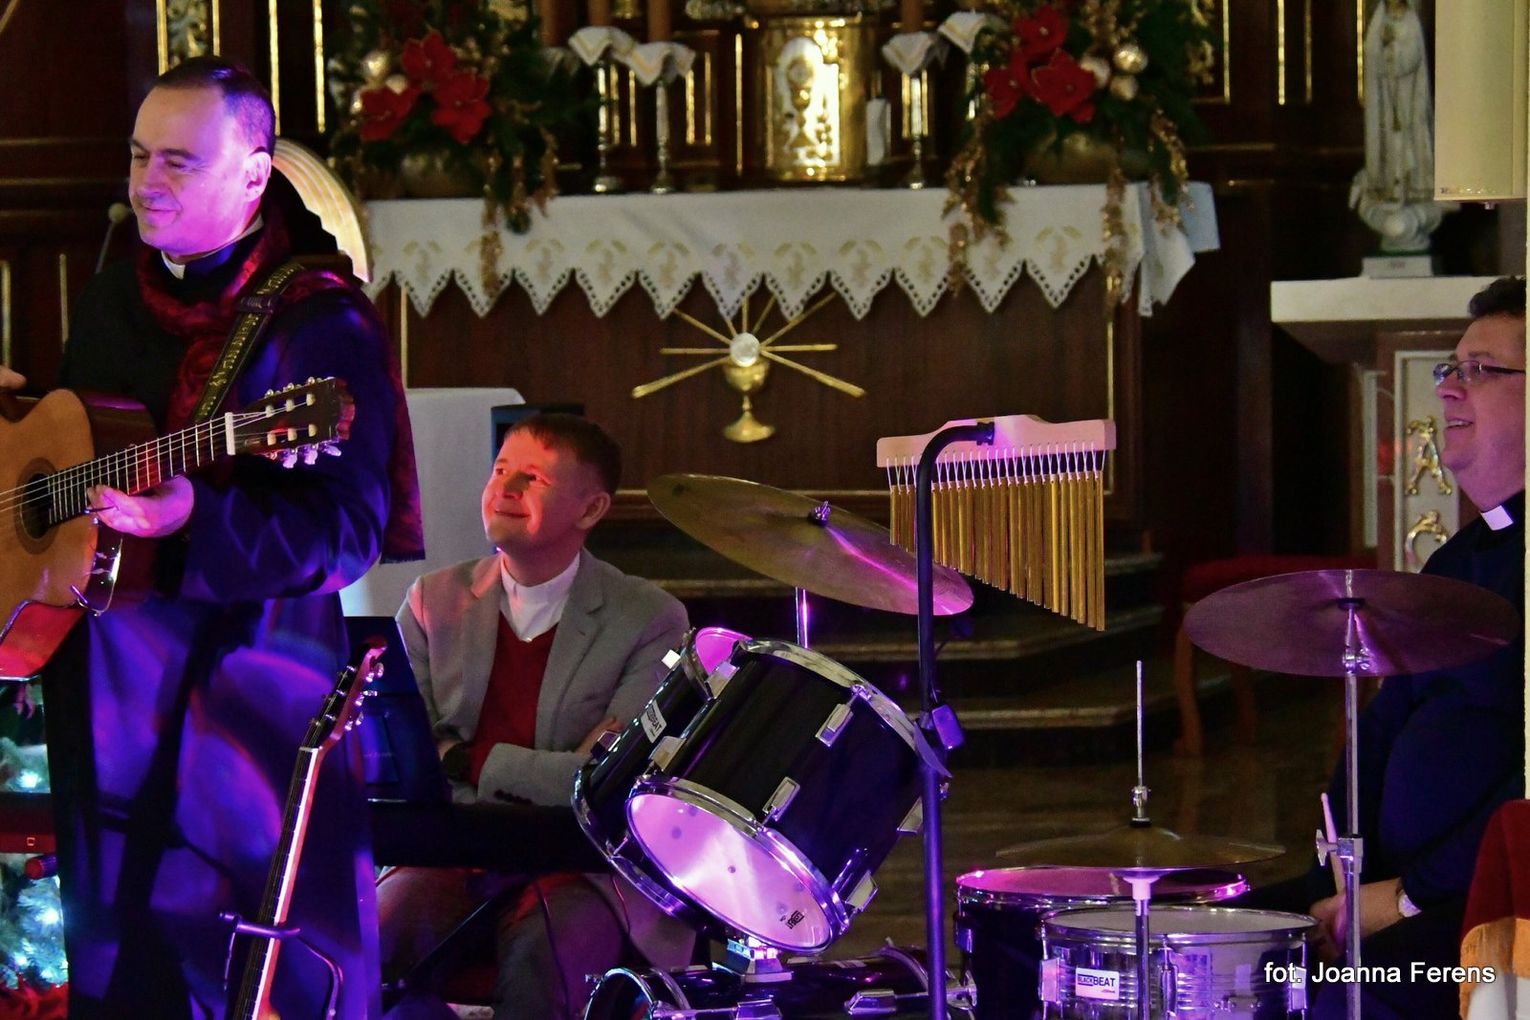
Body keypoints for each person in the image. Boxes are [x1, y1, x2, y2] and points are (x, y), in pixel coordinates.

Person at [5, 56, 421, 1018]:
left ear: (253, 172)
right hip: (102, 682)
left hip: (243, 699)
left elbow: (347, 532)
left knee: (246, 970)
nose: (146, 183)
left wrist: (197, 517)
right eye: (139, 156)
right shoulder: (111, 299)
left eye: (178, 162)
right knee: (120, 967)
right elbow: (69, 468)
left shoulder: (318, 320)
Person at [1245, 276, 1526, 1020]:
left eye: (1481, 370)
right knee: (1227, 943)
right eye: (1451, 369)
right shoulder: (1459, 557)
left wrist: (1404, 898)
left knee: (1346, 996)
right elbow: (1381, 727)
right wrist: (1335, 880)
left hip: (1487, 906)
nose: (1450, 389)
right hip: (1390, 887)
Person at [380, 413, 694, 1019]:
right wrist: (549, 768)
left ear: (590, 509)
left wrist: (466, 759)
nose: (505, 488)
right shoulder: (432, 600)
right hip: (454, 846)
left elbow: (603, 784)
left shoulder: (649, 617)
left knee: (541, 957)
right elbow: (406, 758)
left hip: (584, 865)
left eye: (534, 477)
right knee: (365, 943)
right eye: (500, 469)